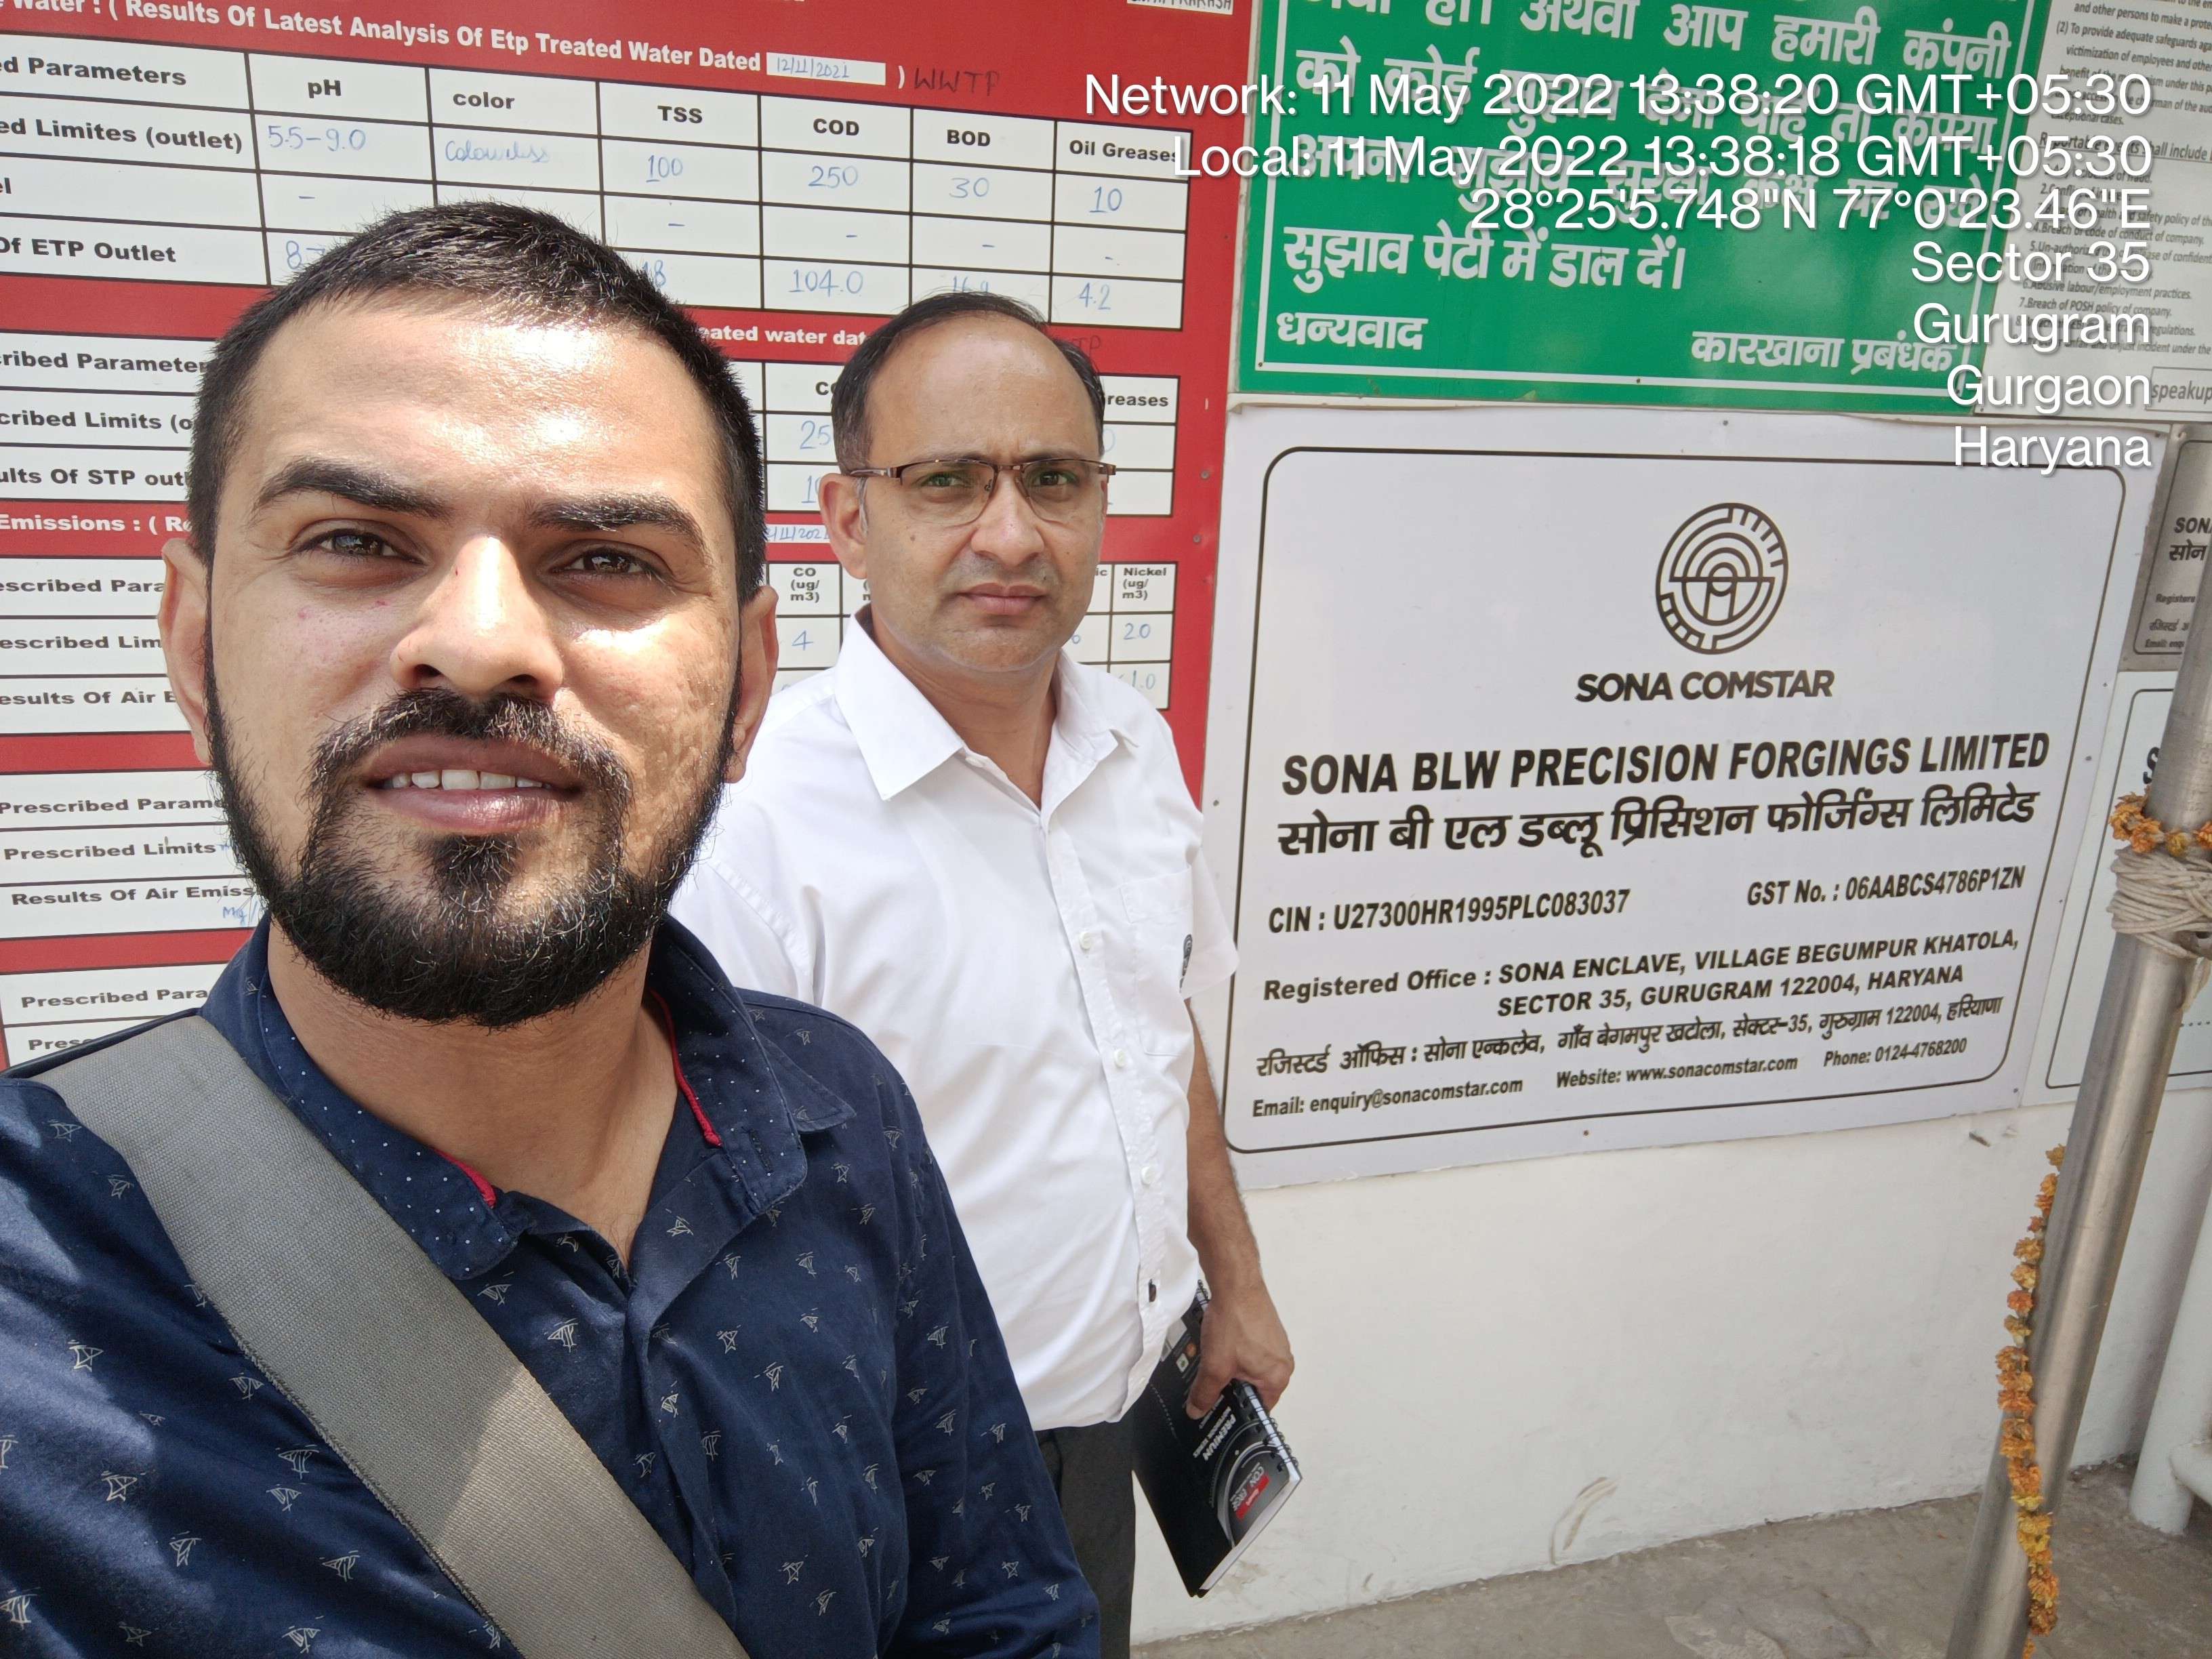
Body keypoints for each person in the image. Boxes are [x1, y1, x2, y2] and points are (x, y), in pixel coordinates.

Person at [0, 207, 1094, 1658]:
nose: (481, 642)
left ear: (747, 690)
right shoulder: (32, 1298)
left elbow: (1000, 1612)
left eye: (608, 560)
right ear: (196, 646)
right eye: (355, 542)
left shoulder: (844, 1116)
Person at [672, 292, 1294, 1655]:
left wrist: (1232, 1279)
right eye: (947, 481)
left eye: (1053, 480)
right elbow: (691, 1233)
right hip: (885, 1492)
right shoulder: (756, 829)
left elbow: (1159, 1031)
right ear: (848, 521)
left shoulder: (1132, 747)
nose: (1011, 535)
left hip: (1110, 1430)